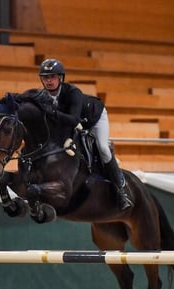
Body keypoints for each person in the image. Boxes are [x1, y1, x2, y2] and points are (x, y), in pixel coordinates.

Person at [37, 58, 133, 210]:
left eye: (52, 77)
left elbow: (73, 119)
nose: (48, 81)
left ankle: (120, 190)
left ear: (60, 78)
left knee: (102, 147)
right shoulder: (42, 96)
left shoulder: (72, 92)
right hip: (74, 123)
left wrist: (52, 113)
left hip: (94, 118)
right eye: (45, 77)